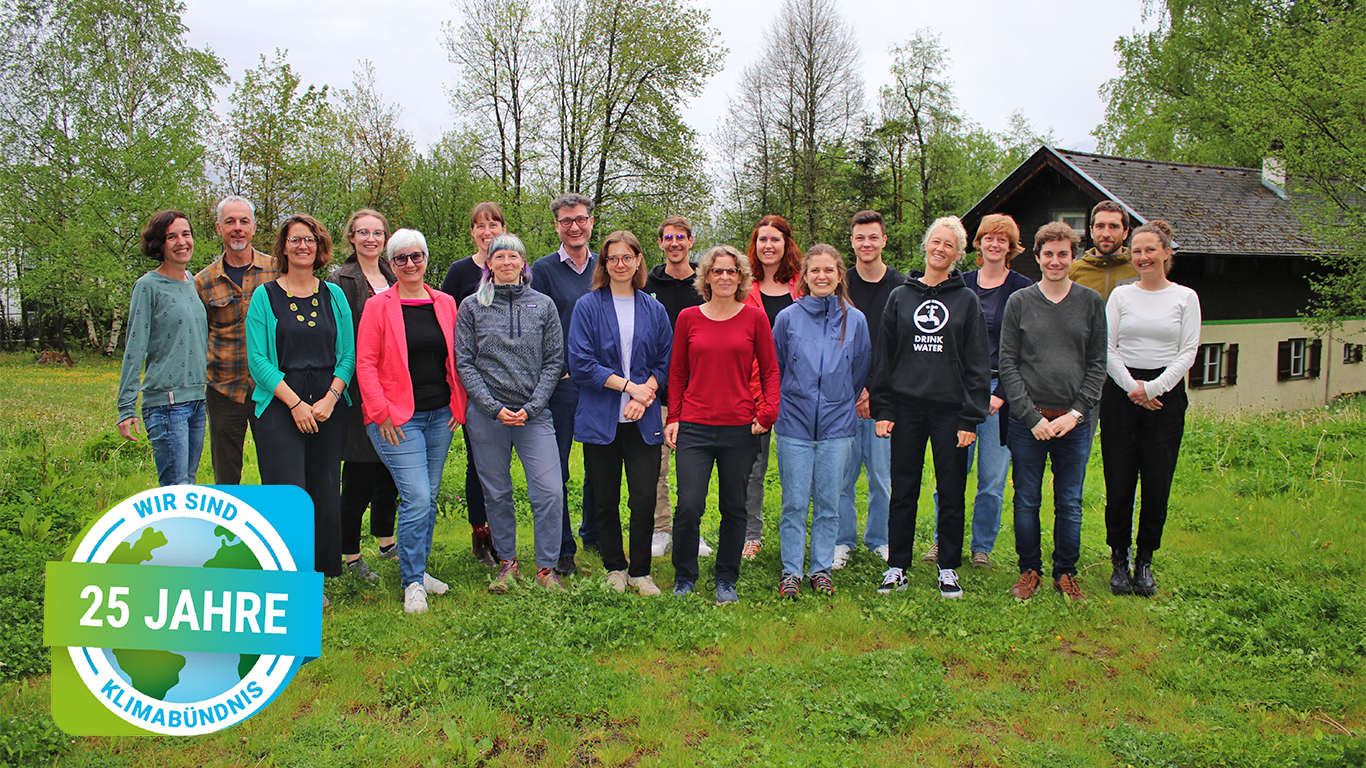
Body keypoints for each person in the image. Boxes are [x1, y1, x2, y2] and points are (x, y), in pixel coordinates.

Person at [870, 217, 990, 599]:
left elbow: (976, 362)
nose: (940, 249)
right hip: (905, 408)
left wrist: (971, 415)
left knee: (952, 489)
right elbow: (885, 356)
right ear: (926, 246)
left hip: (950, 410)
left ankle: (949, 567)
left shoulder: (966, 300)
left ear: (958, 254)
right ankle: (897, 566)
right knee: (902, 487)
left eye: (949, 245)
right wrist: (883, 408)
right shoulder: (900, 296)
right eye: (935, 242)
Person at [355, 228, 467, 614]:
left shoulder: (446, 302)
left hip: (439, 416)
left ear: (425, 258)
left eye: (416, 256)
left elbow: (457, 358)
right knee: (417, 496)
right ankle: (412, 583)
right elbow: (365, 363)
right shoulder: (379, 306)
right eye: (400, 258)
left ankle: (416, 567)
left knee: (428, 497)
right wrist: (380, 411)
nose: (409, 264)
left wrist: (459, 405)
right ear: (391, 263)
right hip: (396, 419)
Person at [998, 222, 1106, 602]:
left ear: (1072, 257)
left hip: (1074, 422)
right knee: (1026, 498)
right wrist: (1032, 417)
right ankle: (1029, 571)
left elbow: (1097, 364)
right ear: (1038, 257)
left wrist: (1074, 414)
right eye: (1048, 254)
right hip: (1029, 421)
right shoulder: (1020, 302)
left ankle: (1065, 573)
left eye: (1063, 254)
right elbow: (1007, 364)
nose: (1055, 261)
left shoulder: (1091, 302)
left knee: (1070, 500)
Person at [665, 245, 779, 605]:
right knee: (689, 505)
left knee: (734, 506)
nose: (725, 277)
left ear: (742, 277)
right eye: (718, 271)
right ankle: (684, 575)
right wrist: (674, 417)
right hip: (695, 426)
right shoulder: (688, 318)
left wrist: (767, 413)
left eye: (732, 272)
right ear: (707, 277)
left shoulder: (754, 318)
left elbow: (771, 369)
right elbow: (678, 371)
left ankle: (726, 578)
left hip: (739, 428)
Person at [246, 214, 354, 583]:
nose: (303, 246)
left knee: (324, 488)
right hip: (279, 401)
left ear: (319, 246)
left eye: (309, 239)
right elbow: (257, 359)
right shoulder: (265, 295)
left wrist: (331, 398)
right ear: (284, 247)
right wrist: (294, 403)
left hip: (328, 402)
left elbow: (348, 354)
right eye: (295, 240)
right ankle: (286, 576)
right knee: (287, 491)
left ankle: (318, 576)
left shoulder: (333, 294)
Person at [456, 234, 567, 592]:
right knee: (497, 492)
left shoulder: (544, 306)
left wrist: (532, 407)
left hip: (534, 416)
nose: (506, 262)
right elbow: (465, 363)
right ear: (488, 264)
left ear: (523, 263)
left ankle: (546, 569)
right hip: (488, 417)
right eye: (498, 256)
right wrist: (493, 407)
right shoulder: (471, 307)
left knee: (549, 490)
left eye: (513, 256)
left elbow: (554, 361)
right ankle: (508, 563)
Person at [923, 214, 1034, 569]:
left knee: (992, 477)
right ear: (979, 243)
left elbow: (1026, 347)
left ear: (1011, 247)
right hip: (958, 390)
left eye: (1003, 239)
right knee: (951, 472)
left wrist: (1001, 392)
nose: (995, 244)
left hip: (1001, 393)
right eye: (989, 237)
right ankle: (943, 541)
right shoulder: (961, 283)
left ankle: (981, 546)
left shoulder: (1021, 288)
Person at [568, 231, 673, 596]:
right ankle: (615, 566)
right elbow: (581, 364)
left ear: (639, 260)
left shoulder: (653, 308)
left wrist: (644, 398)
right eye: (613, 258)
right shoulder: (588, 306)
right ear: (604, 264)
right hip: (601, 418)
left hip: (642, 420)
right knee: (605, 497)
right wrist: (630, 388)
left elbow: (664, 362)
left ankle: (641, 571)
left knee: (643, 496)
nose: (620, 264)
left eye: (627, 257)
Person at [1102, 220, 1200, 597]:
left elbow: (1188, 351)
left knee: (1157, 482)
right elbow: (1107, 348)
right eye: (1137, 251)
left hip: (1167, 394)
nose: (1142, 257)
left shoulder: (1185, 297)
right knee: (1120, 480)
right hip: (1122, 395)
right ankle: (1119, 559)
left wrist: (1155, 387)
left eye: (1149, 250)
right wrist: (1133, 388)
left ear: (1166, 253)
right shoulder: (1122, 297)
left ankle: (1145, 560)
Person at [772, 245, 870, 599]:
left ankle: (822, 569)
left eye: (829, 270)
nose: (822, 277)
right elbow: (776, 368)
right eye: (815, 271)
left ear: (839, 275)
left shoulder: (855, 320)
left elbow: (859, 370)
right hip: (794, 425)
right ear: (805, 277)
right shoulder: (787, 318)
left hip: (837, 426)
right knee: (794, 502)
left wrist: (839, 400)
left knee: (829, 502)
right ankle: (791, 572)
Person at [328, 209, 399, 581]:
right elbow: (338, 336)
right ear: (351, 237)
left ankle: (387, 541)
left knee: (390, 468)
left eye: (377, 233)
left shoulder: (394, 273)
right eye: (363, 233)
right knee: (359, 471)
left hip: (396, 385)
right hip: (358, 387)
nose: (371, 239)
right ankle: (351, 555)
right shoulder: (340, 280)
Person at [531, 192, 598, 573]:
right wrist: (558, 367)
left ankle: (596, 534)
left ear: (591, 221)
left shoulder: (605, 265)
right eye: (566, 220)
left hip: (603, 383)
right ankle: (561, 549)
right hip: (562, 383)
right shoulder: (541, 270)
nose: (574, 226)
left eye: (581, 219)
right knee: (556, 468)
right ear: (557, 225)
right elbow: (535, 324)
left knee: (600, 463)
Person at [116, 210, 208, 487]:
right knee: (176, 489)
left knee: (188, 486)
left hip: (196, 402)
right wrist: (126, 407)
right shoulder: (147, 286)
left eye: (186, 234)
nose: (182, 242)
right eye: (172, 237)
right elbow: (134, 347)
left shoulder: (192, 282)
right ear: (159, 244)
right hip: (167, 406)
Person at [440, 201, 508, 566]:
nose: (487, 231)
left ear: (503, 229)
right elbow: (448, 326)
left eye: (493, 224)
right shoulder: (459, 272)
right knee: (478, 462)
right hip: (474, 381)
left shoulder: (515, 266)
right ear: (472, 232)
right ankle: (480, 536)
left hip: (514, 383)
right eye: (480, 225)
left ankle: (503, 535)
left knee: (504, 463)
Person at [195, 196, 279, 484]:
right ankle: (227, 529)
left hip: (271, 390)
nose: (237, 228)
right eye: (230, 221)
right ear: (219, 228)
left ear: (254, 227)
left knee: (277, 468)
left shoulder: (278, 271)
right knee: (226, 473)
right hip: (223, 390)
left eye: (244, 221)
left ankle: (271, 526)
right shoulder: (203, 281)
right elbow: (198, 336)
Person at [837, 210, 905, 567]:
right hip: (844, 397)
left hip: (885, 398)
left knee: (882, 476)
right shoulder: (839, 284)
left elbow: (900, 347)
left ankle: (880, 538)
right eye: (860, 237)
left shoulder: (901, 286)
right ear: (852, 242)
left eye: (873, 237)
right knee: (843, 475)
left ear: (883, 241)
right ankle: (843, 540)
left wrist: (874, 391)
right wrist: (855, 389)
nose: (866, 243)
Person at [642, 215, 711, 559]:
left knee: (691, 467)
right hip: (658, 392)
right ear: (660, 243)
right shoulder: (647, 286)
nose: (674, 243)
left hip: (699, 391)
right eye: (668, 237)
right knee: (657, 467)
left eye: (680, 237)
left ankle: (690, 530)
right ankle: (660, 528)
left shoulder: (706, 283)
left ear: (690, 241)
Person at [739, 214, 802, 559]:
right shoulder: (743, 287)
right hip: (753, 389)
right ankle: (751, 534)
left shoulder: (803, 284)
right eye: (762, 239)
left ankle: (799, 532)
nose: (768, 245)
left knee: (797, 467)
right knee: (752, 469)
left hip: (798, 389)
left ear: (786, 243)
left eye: (775, 239)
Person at [1070, 200, 1138, 302]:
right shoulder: (1073, 271)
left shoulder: (1139, 269)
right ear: (1092, 231)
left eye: (1114, 226)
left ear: (1125, 232)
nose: (1106, 234)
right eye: (1100, 226)